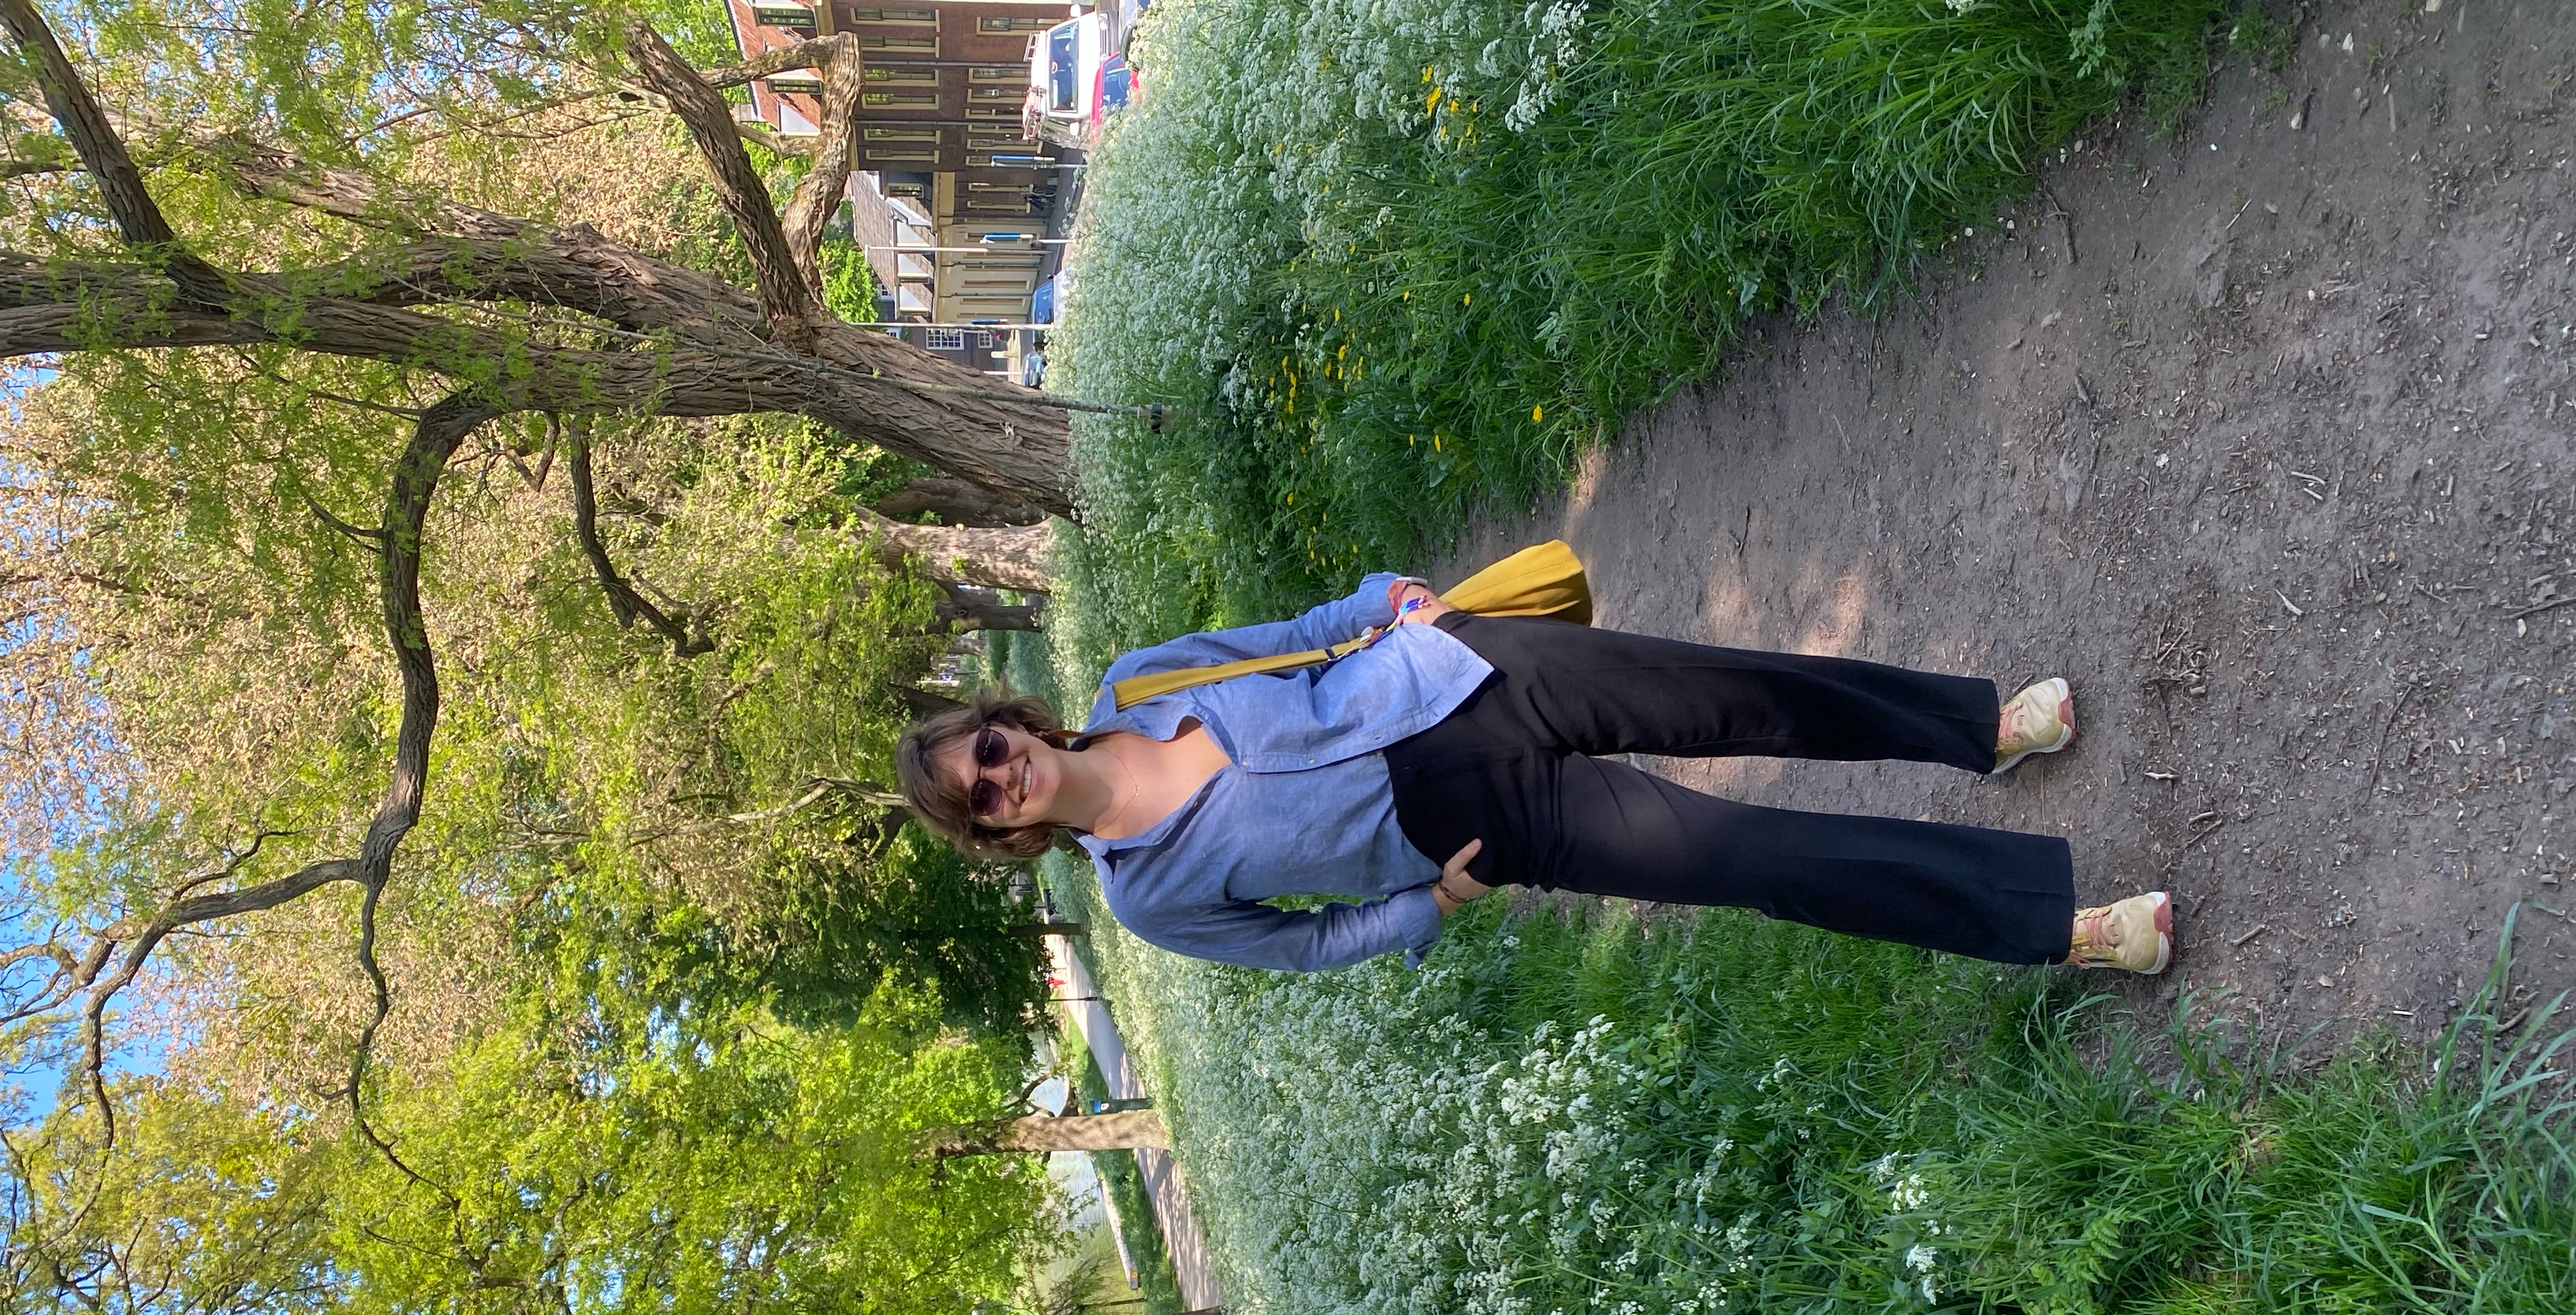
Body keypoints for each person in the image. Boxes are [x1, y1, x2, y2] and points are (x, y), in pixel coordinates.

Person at [893, 570, 2174, 976]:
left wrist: (1381, 601)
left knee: (1743, 688)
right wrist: (1426, 911)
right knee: (1760, 863)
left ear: (1012, 724)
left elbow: (1287, 643)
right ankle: (2057, 929)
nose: (999, 779)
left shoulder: (1136, 683)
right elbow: (1303, 947)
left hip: (1458, 677)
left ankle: (1981, 730)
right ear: (996, 834)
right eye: (981, 799)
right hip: (1474, 821)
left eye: (988, 751)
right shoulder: (1141, 898)